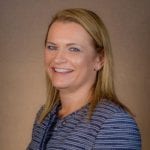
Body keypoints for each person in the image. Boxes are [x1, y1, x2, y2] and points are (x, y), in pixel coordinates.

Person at [27, 8, 141, 150]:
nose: (57, 59)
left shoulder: (114, 123)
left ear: (99, 59)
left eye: (74, 49)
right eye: (52, 47)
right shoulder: (44, 115)